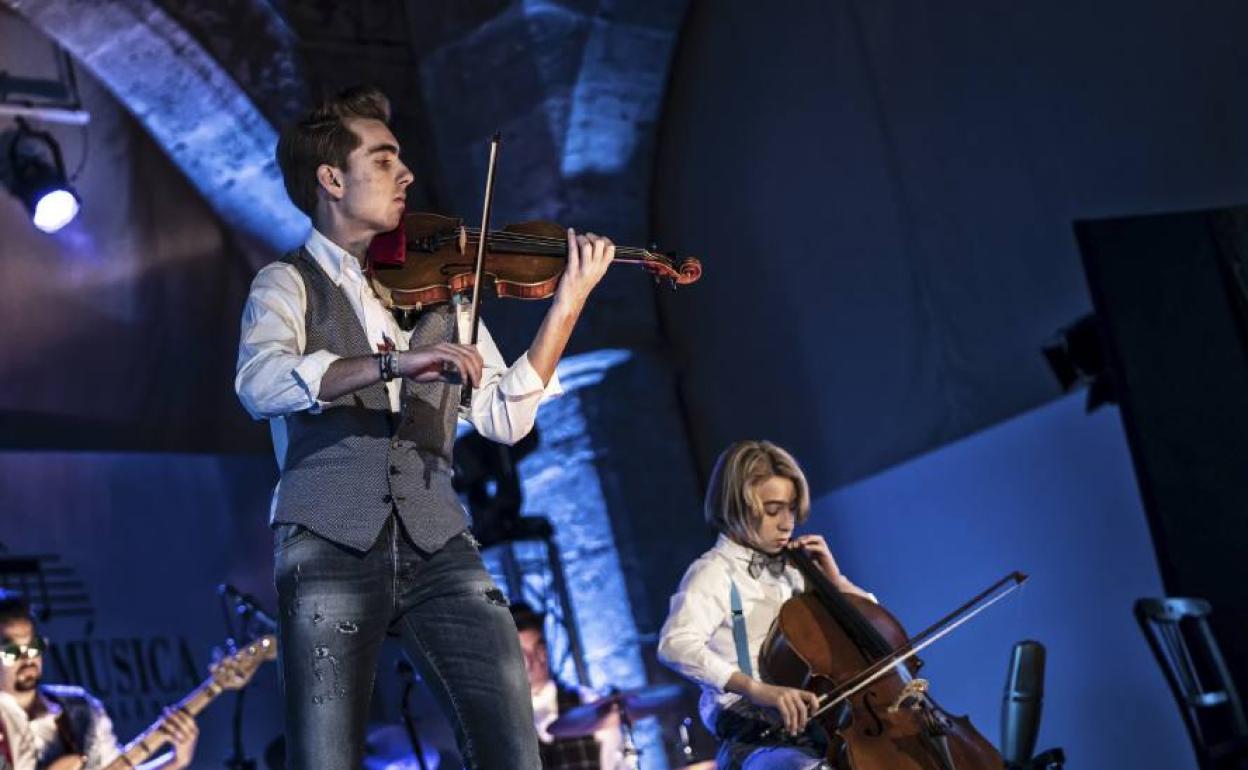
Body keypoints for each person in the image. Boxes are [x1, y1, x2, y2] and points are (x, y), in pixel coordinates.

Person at [234, 85, 615, 770]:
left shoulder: (443, 285)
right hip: (328, 538)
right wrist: (398, 360)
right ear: (330, 179)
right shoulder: (284, 285)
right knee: (323, 758)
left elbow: (504, 417)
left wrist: (566, 307)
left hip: (440, 539)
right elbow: (261, 384)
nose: (405, 174)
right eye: (383, 161)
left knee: (512, 746)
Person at [656, 441, 876, 770]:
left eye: (790, 509)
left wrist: (836, 582)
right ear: (737, 506)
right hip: (756, 739)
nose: (787, 523)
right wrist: (757, 690)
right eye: (773, 510)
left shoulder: (795, 569)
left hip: (817, 730)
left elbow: (874, 633)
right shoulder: (713, 573)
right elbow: (675, 645)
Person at [0, 591, 198, 770]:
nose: (28, 660)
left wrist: (175, 761)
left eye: (34, 647)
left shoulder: (80, 707)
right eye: (11, 652)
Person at [511, 602, 623, 770]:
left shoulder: (589, 702)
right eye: (522, 654)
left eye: (538, 648)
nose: (534, 660)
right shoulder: (501, 726)